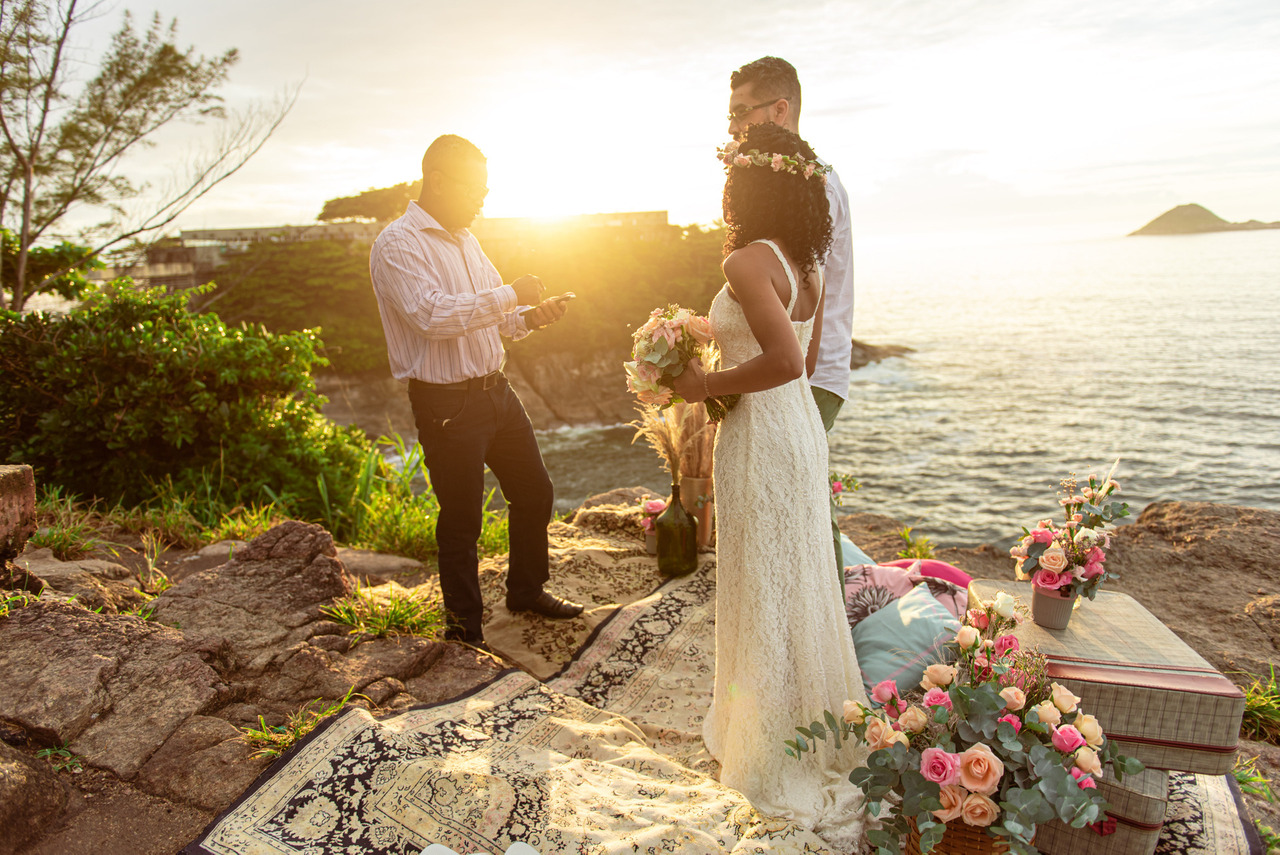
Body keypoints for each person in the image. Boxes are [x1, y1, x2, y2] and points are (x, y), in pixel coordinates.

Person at [669, 123, 868, 850]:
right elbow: (793, 337)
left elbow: (781, 356)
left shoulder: (746, 258)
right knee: (796, 576)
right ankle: (802, 724)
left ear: (743, 187)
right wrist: (700, 328)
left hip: (759, 432)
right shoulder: (801, 264)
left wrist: (704, 383)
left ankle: (769, 741)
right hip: (795, 430)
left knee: (762, 576)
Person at [369, 134, 583, 649]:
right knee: (462, 521)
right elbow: (432, 315)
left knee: (534, 492)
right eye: (475, 188)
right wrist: (512, 293)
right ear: (438, 181)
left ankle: (526, 591)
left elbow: (498, 319)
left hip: (497, 393)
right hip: (446, 403)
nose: (483, 199)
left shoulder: (467, 238)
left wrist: (531, 316)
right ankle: (465, 629)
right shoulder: (396, 244)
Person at [727, 56, 854, 575]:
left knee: (806, 512)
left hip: (807, 373)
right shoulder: (800, 180)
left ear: (780, 110)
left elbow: (800, 303)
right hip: (797, 366)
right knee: (791, 507)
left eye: (742, 112)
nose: (733, 129)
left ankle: (827, 626)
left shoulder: (808, 186)